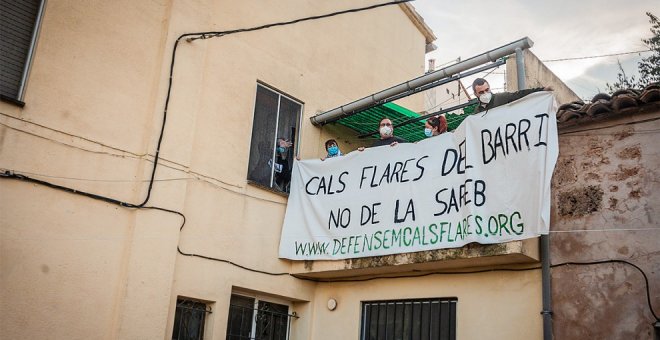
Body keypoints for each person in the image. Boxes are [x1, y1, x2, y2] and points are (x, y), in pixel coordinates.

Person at [472, 78, 553, 114]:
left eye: (487, 90)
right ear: (476, 94)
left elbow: (519, 95)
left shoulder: (501, 98)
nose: (485, 93)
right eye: (481, 92)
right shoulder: (477, 111)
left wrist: (542, 90)